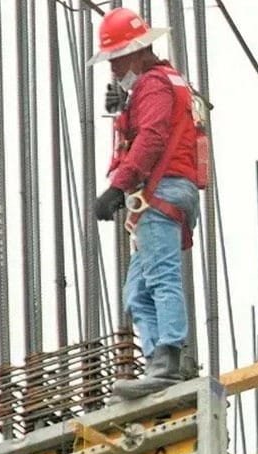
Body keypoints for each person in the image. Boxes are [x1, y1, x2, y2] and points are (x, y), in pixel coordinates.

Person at [88, 8, 201, 400]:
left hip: (161, 190)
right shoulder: (158, 83)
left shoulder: (153, 87)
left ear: (137, 52)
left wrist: (118, 187)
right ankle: (159, 360)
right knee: (136, 292)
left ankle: (168, 358)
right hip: (168, 188)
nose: (114, 70)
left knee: (160, 277)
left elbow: (152, 137)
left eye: (117, 60)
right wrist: (125, 108)